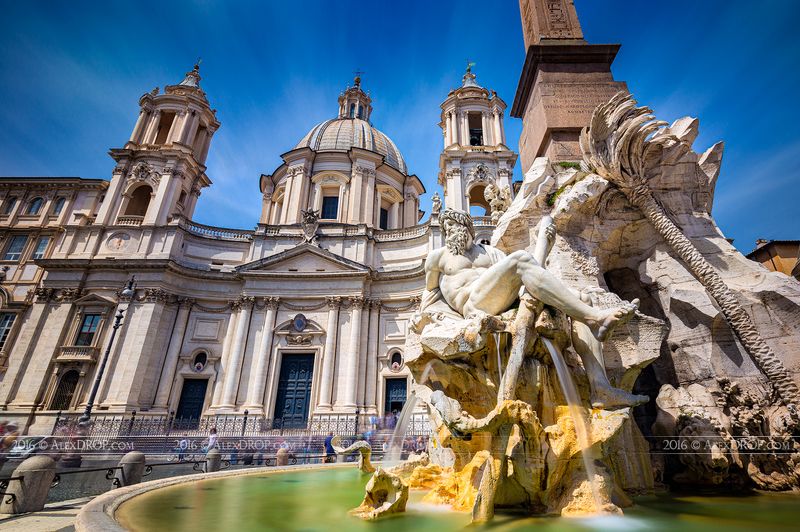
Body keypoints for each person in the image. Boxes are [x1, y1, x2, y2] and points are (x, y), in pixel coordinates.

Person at [416, 209, 647, 409]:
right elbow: (430, 294)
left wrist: (543, 246)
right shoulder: (437, 258)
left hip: (502, 298)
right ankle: (596, 319)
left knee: (581, 297)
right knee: (520, 259)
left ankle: (601, 387)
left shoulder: (490, 253)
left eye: (454, 225)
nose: (450, 231)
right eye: (446, 227)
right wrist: (426, 320)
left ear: (467, 226)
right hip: (474, 304)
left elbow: (529, 271)